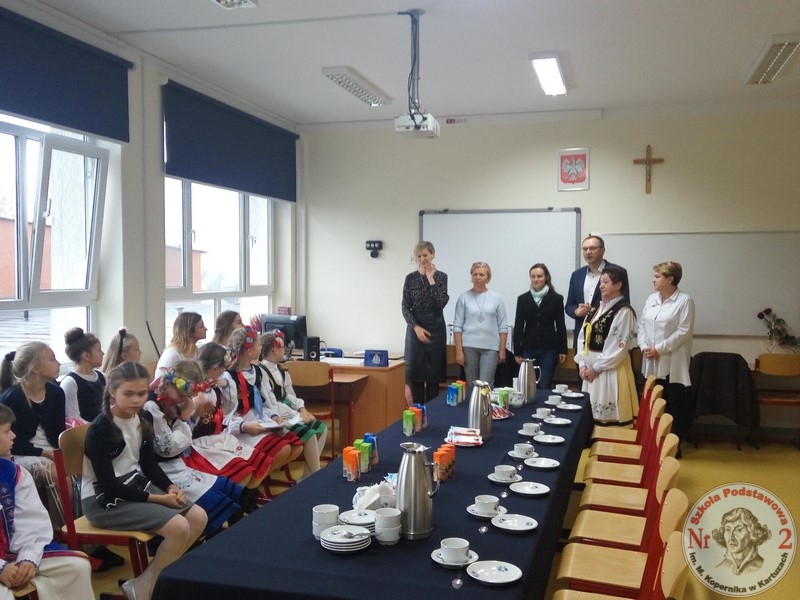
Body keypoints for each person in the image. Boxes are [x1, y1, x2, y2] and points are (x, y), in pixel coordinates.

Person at [82, 361, 207, 600]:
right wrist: (160, 498)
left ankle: (147, 583)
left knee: (198, 517)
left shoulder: (144, 417)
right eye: (128, 394)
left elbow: (149, 466)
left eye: (141, 393)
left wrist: (171, 487)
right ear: (112, 392)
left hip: (132, 484)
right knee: (178, 527)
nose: (136, 400)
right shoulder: (101, 429)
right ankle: (146, 589)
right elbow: (109, 486)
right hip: (102, 499)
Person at [0, 404, 94, 600]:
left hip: (12, 553)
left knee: (76, 567)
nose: (13, 436)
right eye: (7, 431)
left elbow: (31, 522)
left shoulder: (13, 473)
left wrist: (28, 558)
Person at [145, 360, 243, 532]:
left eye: (189, 396)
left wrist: (192, 415)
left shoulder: (173, 402)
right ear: (171, 384)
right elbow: (167, 448)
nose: (185, 400)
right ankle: (206, 537)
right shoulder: (152, 406)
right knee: (212, 503)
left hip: (177, 466)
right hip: (161, 470)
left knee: (230, 490)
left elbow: (180, 438)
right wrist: (184, 419)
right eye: (183, 395)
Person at [187, 343, 270, 509]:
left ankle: (242, 503)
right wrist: (196, 411)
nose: (224, 372)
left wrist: (225, 385)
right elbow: (187, 427)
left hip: (218, 437)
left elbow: (229, 409)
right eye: (223, 368)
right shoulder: (195, 393)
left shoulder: (215, 387)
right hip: (201, 444)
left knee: (260, 462)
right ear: (214, 368)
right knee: (241, 472)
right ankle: (231, 508)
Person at [224, 327, 303, 490]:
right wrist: (244, 426)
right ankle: (250, 489)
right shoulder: (229, 378)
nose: (261, 348)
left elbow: (264, 402)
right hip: (241, 425)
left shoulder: (258, 372)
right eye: (259, 345)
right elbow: (227, 414)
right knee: (282, 449)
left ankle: (257, 482)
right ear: (249, 351)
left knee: (296, 446)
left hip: (259, 419)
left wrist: (274, 416)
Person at [638, 261, 695, 454]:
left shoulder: (684, 301)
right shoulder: (651, 299)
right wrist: (644, 347)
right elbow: (642, 326)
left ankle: (672, 447)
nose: (653, 280)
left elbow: (684, 331)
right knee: (653, 402)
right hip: (651, 360)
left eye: (657, 276)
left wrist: (660, 349)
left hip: (672, 362)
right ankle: (651, 445)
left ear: (670, 279)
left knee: (672, 404)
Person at [574, 266, 638, 426]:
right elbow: (583, 337)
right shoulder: (596, 308)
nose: (601, 286)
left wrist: (596, 368)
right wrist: (582, 364)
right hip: (589, 370)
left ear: (618, 285)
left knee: (607, 420)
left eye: (605, 282)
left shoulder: (623, 311)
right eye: (600, 282)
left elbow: (618, 345)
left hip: (609, 370)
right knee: (588, 418)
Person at [260, 330, 328, 477]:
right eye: (282, 347)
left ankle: (307, 476)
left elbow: (290, 396)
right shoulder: (262, 372)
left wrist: (302, 410)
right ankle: (316, 476)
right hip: (276, 415)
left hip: (288, 411)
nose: (285, 350)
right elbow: (271, 404)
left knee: (322, 429)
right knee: (309, 435)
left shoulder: (282, 370)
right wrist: (294, 415)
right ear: (275, 349)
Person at [0, 343, 64, 490]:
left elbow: (59, 432)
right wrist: (43, 452)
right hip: (22, 454)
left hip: (52, 449)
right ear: (35, 368)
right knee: (61, 478)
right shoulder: (11, 398)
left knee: (82, 469)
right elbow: (11, 443)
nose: (58, 363)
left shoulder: (57, 393)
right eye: (52, 359)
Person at [402, 241, 449, 404]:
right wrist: (416, 327)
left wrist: (431, 279)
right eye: (419, 256)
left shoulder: (441, 277)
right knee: (415, 376)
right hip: (415, 328)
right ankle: (417, 413)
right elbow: (405, 307)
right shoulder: (410, 278)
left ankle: (432, 415)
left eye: (425, 255)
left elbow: (442, 302)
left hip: (436, 326)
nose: (422, 259)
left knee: (433, 378)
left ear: (432, 255)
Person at [565, 235, 629, 350]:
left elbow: (623, 303)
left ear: (603, 250)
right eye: (585, 249)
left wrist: (594, 312)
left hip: (607, 336)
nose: (588, 252)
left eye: (593, 248)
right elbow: (569, 305)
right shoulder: (577, 275)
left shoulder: (617, 272)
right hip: (582, 337)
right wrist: (577, 311)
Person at [513, 263, 568, 390]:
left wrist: (563, 349)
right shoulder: (522, 299)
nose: (536, 279)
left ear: (546, 277)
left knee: (544, 384)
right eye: (533, 277)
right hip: (528, 348)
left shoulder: (556, 298)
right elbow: (519, 325)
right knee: (528, 384)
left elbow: (560, 324)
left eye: (539, 276)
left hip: (549, 349)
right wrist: (517, 351)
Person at [452, 261, 508, 385]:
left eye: (481, 275)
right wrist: (459, 351)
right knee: (472, 384)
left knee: (486, 384)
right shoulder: (463, 298)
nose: (478, 277)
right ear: (471, 276)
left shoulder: (497, 298)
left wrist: (502, 350)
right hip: (469, 347)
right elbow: (457, 326)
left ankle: (486, 400)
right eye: (475, 274)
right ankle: (473, 400)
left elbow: (503, 326)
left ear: (488, 278)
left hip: (491, 348)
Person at [61, 327, 106, 422]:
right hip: (86, 429)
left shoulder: (102, 376)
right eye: (99, 350)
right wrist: (97, 427)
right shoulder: (70, 383)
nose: (103, 353)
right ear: (86, 356)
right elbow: (74, 419)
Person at [712, 507, 771, 576]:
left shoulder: (764, 567)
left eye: (739, 530)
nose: (731, 537)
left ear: (751, 533)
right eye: (728, 530)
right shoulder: (720, 568)